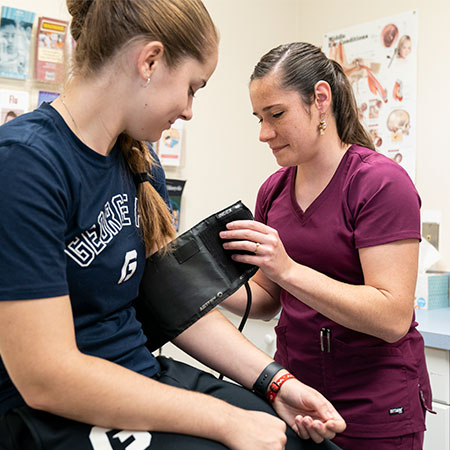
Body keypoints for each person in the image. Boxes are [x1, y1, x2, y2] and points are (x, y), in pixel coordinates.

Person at [0, 3, 345, 449]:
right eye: (192, 88)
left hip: (142, 376)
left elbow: (173, 307)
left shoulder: (141, 164)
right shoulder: (26, 164)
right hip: (51, 413)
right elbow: (46, 377)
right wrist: (225, 420)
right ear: (150, 61)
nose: (188, 111)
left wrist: (276, 383)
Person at [220, 42, 433, 450]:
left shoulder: (380, 184)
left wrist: (288, 269)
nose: (264, 133)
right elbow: (266, 300)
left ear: (321, 99)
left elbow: (391, 317)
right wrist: (200, 285)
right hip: (296, 393)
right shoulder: (275, 190)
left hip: (374, 405)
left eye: (277, 115)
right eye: (259, 118)